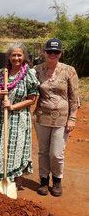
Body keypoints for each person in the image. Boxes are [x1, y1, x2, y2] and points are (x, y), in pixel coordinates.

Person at [0, 43, 39, 187]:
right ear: (8, 57)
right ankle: (0, 178)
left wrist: (12, 106)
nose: (16, 58)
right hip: (1, 116)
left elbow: (32, 99)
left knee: (16, 148)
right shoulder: (3, 73)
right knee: (0, 145)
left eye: (19, 55)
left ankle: (16, 179)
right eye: (13, 55)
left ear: (24, 57)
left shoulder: (29, 74)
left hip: (19, 117)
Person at [34, 38, 80, 197]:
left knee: (56, 153)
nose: (52, 54)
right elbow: (29, 90)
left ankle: (57, 180)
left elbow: (74, 97)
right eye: (49, 51)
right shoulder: (36, 70)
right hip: (41, 117)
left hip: (62, 118)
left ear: (60, 53)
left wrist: (72, 118)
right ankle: (44, 180)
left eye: (56, 52)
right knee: (43, 151)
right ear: (44, 52)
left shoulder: (69, 70)